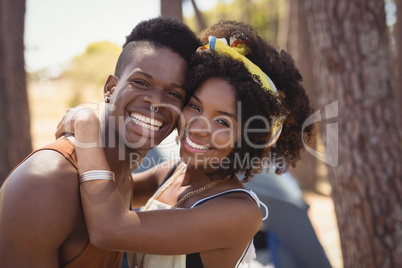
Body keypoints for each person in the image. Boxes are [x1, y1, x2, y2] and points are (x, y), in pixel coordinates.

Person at [57, 20, 316, 268]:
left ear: (250, 137)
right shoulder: (171, 173)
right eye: (194, 106)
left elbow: (109, 230)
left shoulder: (239, 211)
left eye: (223, 122)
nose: (199, 127)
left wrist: (86, 125)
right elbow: (107, 192)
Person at [0, 17, 200, 268]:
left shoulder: (123, 175)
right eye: (141, 82)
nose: (156, 101)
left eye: (173, 93)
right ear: (110, 87)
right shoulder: (45, 183)